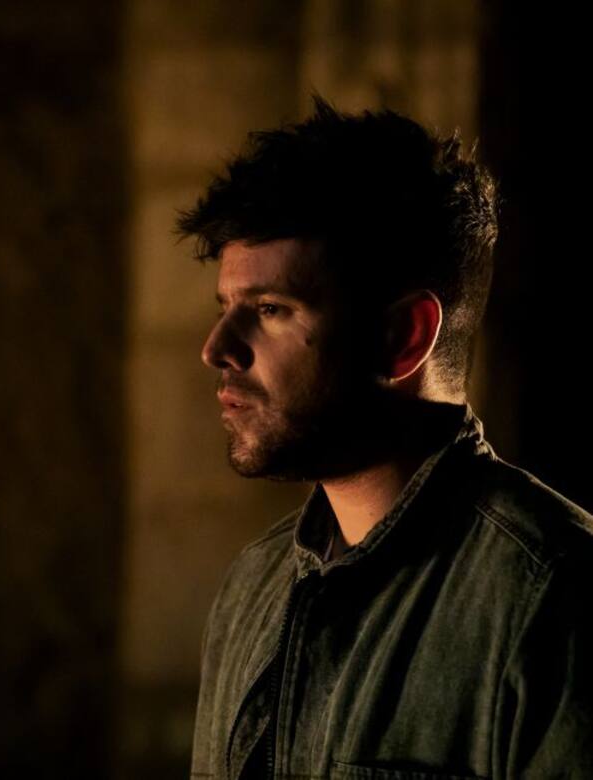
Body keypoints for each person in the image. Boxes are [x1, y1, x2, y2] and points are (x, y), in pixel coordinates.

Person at [176, 97, 593, 779]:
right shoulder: (252, 587)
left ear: (403, 337)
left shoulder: (550, 597)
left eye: (271, 309)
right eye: (225, 308)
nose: (216, 348)